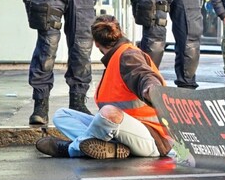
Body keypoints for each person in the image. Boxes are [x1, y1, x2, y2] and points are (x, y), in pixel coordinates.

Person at [34, 15, 175, 161]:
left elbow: (143, 75)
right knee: (62, 115)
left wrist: (150, 89)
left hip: (153, 139)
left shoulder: (129, 55)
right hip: (125, 133)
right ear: (121, 32)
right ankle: (111, 147)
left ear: (95, 43)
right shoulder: (115, 60)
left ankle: (72, 148)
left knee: (108, 113)